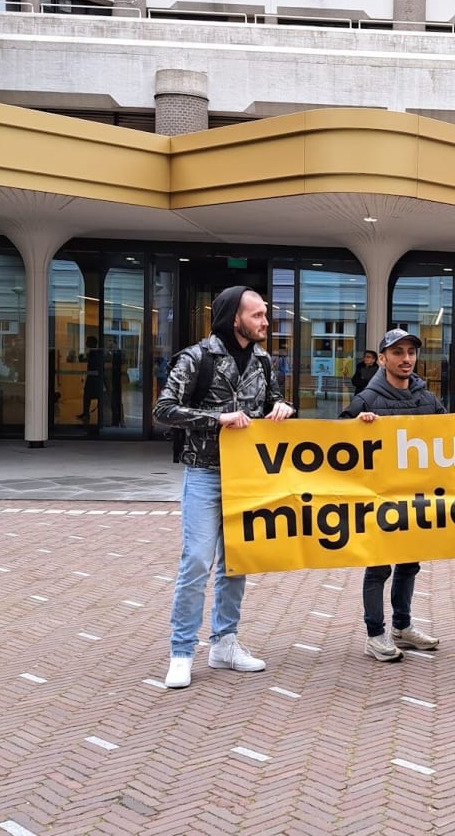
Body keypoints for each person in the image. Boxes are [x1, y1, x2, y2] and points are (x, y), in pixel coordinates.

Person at [153, 286, 296, 689]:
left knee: (237, 562)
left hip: (246, 476)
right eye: (258, 315)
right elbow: (164, 410)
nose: (266, 322)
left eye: (265, 315)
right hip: (204, 472)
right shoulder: (196, 357)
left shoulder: (265, 360)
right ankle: (181, 651)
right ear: (235, 317)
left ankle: (224, 643)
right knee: (197, 561)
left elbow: (273, 403)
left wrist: (282, 409)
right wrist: (217, 418)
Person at [341, 329, 455, 662]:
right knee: (378, 568)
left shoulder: (427, 399)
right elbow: (336, 447)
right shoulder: (366, 400)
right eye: (398, 352)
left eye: (411, 352)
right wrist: (356, 426)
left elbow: (449, 433)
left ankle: (402, 627)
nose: (406, 359)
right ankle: (375, 634)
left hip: (415, 498)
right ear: (382, 358)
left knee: (409, 563)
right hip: (377, 500)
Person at [77, 335, 103, 425]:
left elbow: (92, 363)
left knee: (87, 395)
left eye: (87, 341)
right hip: (93, 378)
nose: (85, 343)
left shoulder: (94, 353)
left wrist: (83, 359)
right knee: (87, 396)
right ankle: (85, 413)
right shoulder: (94, 352)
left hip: (93, 379)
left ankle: (86, 414)